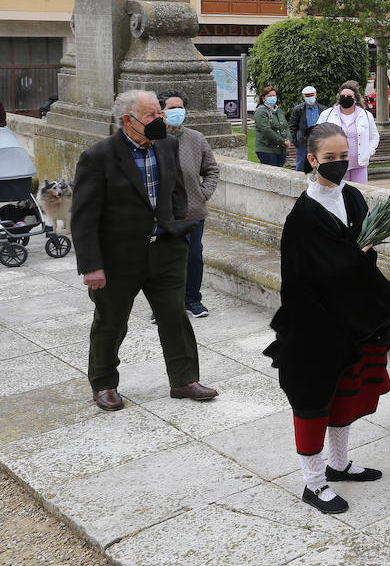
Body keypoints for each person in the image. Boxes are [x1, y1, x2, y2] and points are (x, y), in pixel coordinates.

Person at [264, 122, 390, 514]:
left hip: (352, 321)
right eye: (330, 158)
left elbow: (361, 259)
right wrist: (355, 257)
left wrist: (360, 259)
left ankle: (339, 465)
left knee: (346, 395)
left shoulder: (353, 197)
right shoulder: (304, 216)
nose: (339, 164)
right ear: (311, 160)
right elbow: (318, 272)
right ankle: (314, 482)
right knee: (313, 403)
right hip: (316, 327)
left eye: (344, 156)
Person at [71, 90, 219, 413]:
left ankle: (184, 380)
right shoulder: (98, 157)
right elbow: (83, 218)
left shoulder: (167, 144)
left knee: (175, 316)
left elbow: (178, 192)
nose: (160, 121)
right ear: (128, 120)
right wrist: (91, 266)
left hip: (165, 249)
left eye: (160, 114)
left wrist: (179, 229)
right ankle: (104, 383)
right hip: (118, 258)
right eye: (152, 116)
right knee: (111, 322)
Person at [160, 89, 220, 319]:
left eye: (180, 108)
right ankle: (165, 304)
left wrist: (203, 193)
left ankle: (193, 300)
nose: (176, 112)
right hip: (164, 213)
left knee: (194, 257)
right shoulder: (154, 139)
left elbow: (212, 170)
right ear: (162, 112)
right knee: (165, 260)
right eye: (171, 108)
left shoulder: (196, 138)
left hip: (193, 211)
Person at [317, 85, 379, 184]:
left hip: (359, 165)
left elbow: (374, 136)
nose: (345, 98)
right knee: (338, 195)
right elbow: (317, 135)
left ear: (355, 99)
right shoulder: (327, 114)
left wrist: (369, 151)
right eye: (343, 96)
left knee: (359, 193)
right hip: (335, 164)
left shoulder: (366, 115)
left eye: (349, 96)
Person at [253, 86, 289, 167]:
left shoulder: (278, 110)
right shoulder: (261, 112)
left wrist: (288, 139)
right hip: (266, 150)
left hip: (281, 150)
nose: (273, 98)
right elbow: (266, 130)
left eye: (274, 95)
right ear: (264, 98)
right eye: (270, 96)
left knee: (279, 173)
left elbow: (285, 127)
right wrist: (282, 141)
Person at [289, 86, 322, 172]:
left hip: (319, 142)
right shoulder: (298, 110)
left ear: (315, 95)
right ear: (303, 97)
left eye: (311, 95)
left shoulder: (322, 109)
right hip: (303, 141)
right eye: (307, 96)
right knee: (301, 164)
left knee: (320, 163)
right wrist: (295, 141)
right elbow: (293, 126)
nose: (309, 97)